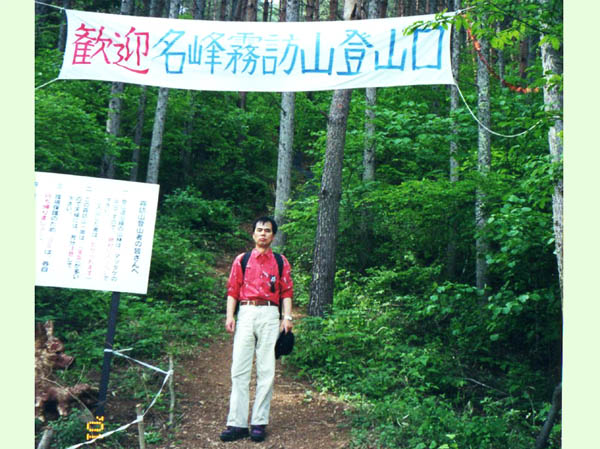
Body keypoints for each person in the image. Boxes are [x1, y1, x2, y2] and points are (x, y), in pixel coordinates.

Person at [219, 216, 294, 443]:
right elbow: (233, 289)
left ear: (273, 235)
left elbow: (287, 292)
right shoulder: (241, 260)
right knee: (239, 369)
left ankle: (259, 423)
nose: (263, 234)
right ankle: (237, 423)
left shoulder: (281, 262)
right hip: (246, 312)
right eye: (259, 230)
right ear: (253, 234)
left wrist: (286, 317)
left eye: (268, 231)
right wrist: (230, 315)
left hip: (271, 314)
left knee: (266, 370)